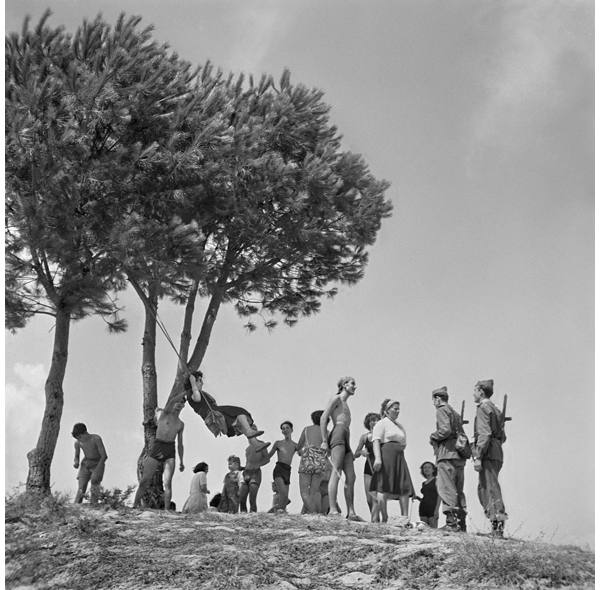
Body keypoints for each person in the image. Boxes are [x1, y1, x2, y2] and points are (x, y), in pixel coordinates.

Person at [185, 371, 269, 452]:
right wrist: (193, 383)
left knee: (241, 422)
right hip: (213, 414)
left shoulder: (200, 392)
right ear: (193, 382)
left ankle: (256, 444)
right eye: (199, 380)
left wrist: (194, 384)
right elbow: (197, 398)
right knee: (239, 413)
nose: (202, 382)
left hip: (216, 411)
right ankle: (250, 432)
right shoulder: (191, 393)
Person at [320, 376, 361, 521]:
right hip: (337, 433)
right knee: (336, 471)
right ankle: (332, 509)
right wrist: (324, 441)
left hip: (346, 435)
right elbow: (324, 417)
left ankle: (351, 512)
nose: (355, 387)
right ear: (344, 385)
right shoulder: (336, 398)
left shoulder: (346, 404)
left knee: (351, 476)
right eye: (352, 384)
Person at [133, 397, 185, 510]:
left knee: (167, 482)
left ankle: (166, 510)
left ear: (183, 406)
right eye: (178, 402)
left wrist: (181, 461)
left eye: (182, 403)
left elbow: (180, 444)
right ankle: (135, 505)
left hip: (170, 449)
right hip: (158, 446)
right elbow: (160, 410)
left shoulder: (180, 424)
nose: (179, 405)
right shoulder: (162, 414)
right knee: (145, 480)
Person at [473, 379, 508, 537]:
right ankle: (497, 525)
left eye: (475, 391)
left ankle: (497, 527)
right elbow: (502, 436)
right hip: (496, 451)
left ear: (481, 391)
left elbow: (484, 433)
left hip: (488, 452)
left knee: (489, 488)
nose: (474, 394)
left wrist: (478, 455)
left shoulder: (483, 408)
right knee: (489, 486)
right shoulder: (496, 409)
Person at [370, 399, 415, 524]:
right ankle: (384, 516)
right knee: (383, 485)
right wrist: (378, 458)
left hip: (399, 457)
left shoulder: (399, 426)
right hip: (386, 456)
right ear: (387, 410)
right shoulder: (381, 423)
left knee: (403, 486)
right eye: (395, 408)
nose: (397, 411)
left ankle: (404, 518)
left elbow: (403, 442)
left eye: (398, 409)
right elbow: (376, 441)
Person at [429, 386, 467, 532]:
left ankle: (452, 523)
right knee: (458, 489)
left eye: (434, 400)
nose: (434, 403)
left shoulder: (441, 410)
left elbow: (445, 430)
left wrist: (433, 436)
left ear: (438, 399)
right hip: (458, 455)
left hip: (446, 454)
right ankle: (461, 523)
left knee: (447, 488)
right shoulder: (455, 413)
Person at [297, 410, 330, 513]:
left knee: (304, 491)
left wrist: (300, 452)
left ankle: (313, 512)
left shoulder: (307, 429)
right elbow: (329, 451)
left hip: (307, 459)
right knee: (314, 491)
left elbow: (299, 446)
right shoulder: (327, 433)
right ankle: (313, 512)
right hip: (320, 461)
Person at [72, 423, 108, 504]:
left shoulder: (95, 439)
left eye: (80, 437)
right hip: (86, 463)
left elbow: (104, 456)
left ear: (85, 433)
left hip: (98, 462)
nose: (79, 439)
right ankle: (76, 505)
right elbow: (76, 455)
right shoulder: (78, 443)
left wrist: (98, 469)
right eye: (77, 438)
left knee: (95, 482)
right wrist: (76, 462)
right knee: (81, 486)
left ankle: (93, 504)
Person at [353, 412, 379, 518]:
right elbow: (356, 453)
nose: (374, 422)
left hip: (380, 468)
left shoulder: (383, 437)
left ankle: (375, 520)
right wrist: (362, 452)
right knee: (369, 498)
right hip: (368, 468)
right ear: (368, 423)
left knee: (377, 497)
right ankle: (375, 518)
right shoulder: (364, 437)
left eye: (376, 420)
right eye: (371, 420)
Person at [268, 421, 298, 512]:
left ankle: (274, 513)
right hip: (279, 469)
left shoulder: (295, 445)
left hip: (288, 470)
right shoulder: (278, 443)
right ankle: (274, 511)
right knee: (283, 495)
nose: (285, 430)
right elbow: (268, 456)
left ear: (291, 430)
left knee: (284, 501)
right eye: (283, 428)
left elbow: (302, 453)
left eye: (287, 428)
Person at [240, 443, 270, 512]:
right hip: (246, 472)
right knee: (242, 497)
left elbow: (267, 459)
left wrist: (258, 464)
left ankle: (252, 514)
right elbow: (248, 462)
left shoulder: (261, 445)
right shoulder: (247, 448)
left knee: (252, 498)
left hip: (255, 473)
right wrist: (242, 468)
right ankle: (243, 515)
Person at [415, 461, 440, 528]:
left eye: (429, 467)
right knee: (424, 530)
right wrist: (417, 498)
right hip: (423, 508)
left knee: (433, 530)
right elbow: (426, 497)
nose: (427, 469)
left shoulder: (437, 480)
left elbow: (439, 496)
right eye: (424, 468)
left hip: (433, 508)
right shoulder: (424, 483)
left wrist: (436, 510)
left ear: (433, 470)